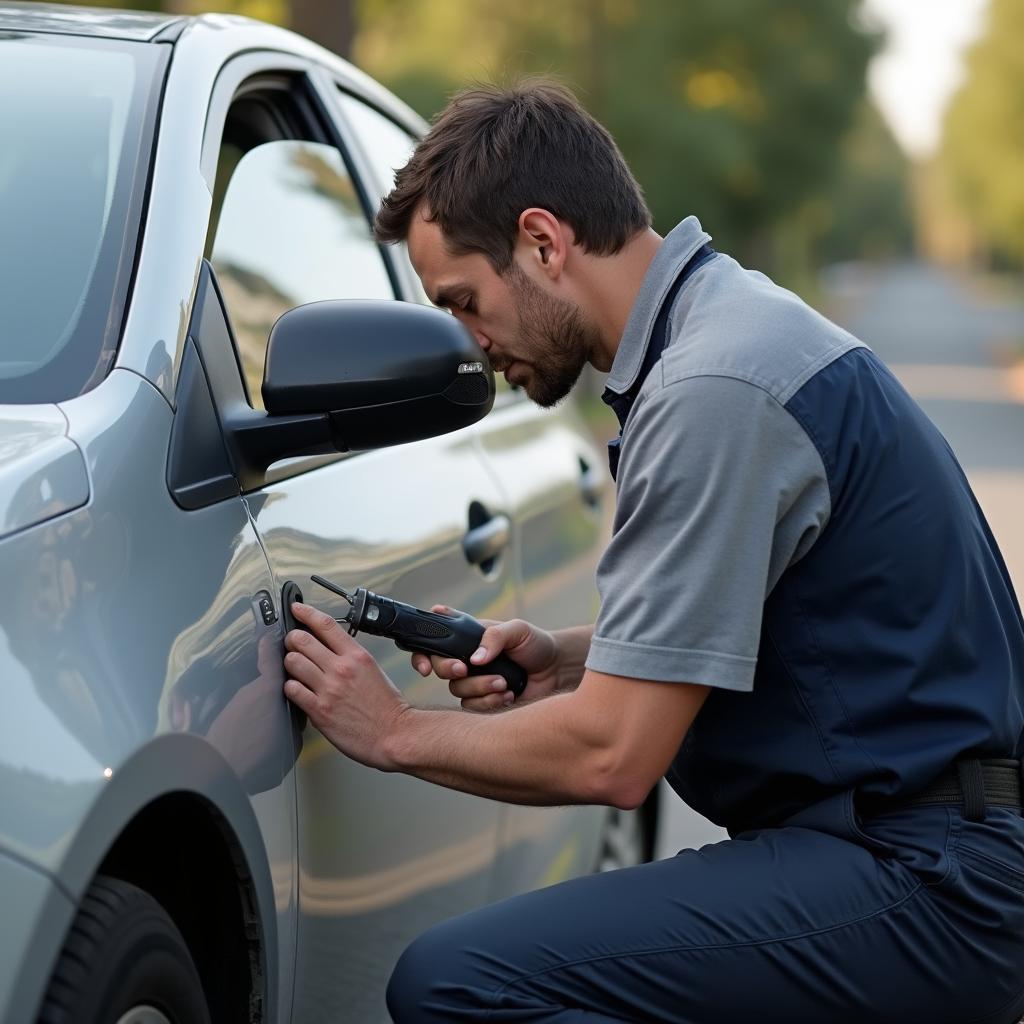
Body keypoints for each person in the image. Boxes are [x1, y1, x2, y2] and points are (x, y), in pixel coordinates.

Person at [281, 81, 1024, 1023]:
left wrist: (392, 733)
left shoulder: (714, 385)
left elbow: (613, 759)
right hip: (925, 855)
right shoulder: (730, 328)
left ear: (544, 243)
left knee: (459, 983)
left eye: (465, 302)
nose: (469, 344)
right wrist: (570, 659)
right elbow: (781, 614)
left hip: (920, 881)